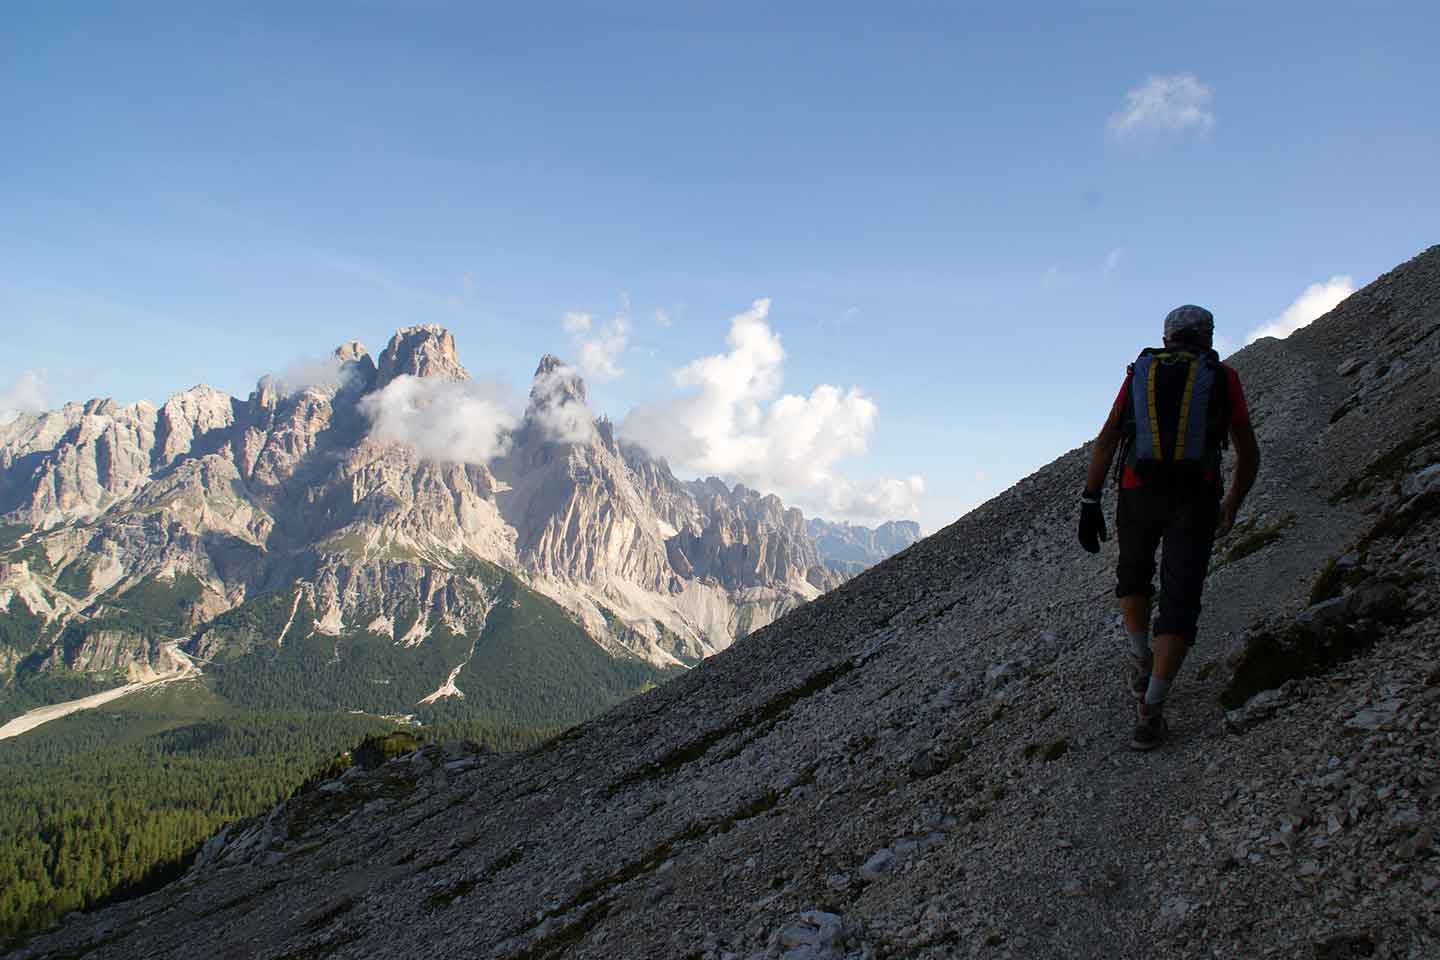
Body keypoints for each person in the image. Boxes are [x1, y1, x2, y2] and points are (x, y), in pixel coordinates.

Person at [1077, 305, 1261, 750]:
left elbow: (1108, 437)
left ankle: (1142, 659)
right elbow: (1248, 452)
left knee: (1134, 575)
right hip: (1196, 498)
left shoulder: (1142, 374)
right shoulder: (1223, 377)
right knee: (1181, 597)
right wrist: (1232, 504)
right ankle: (1151, 711)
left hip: (1137, 491)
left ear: (1166, 338)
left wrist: (1090, 499)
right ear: (1208, 338)